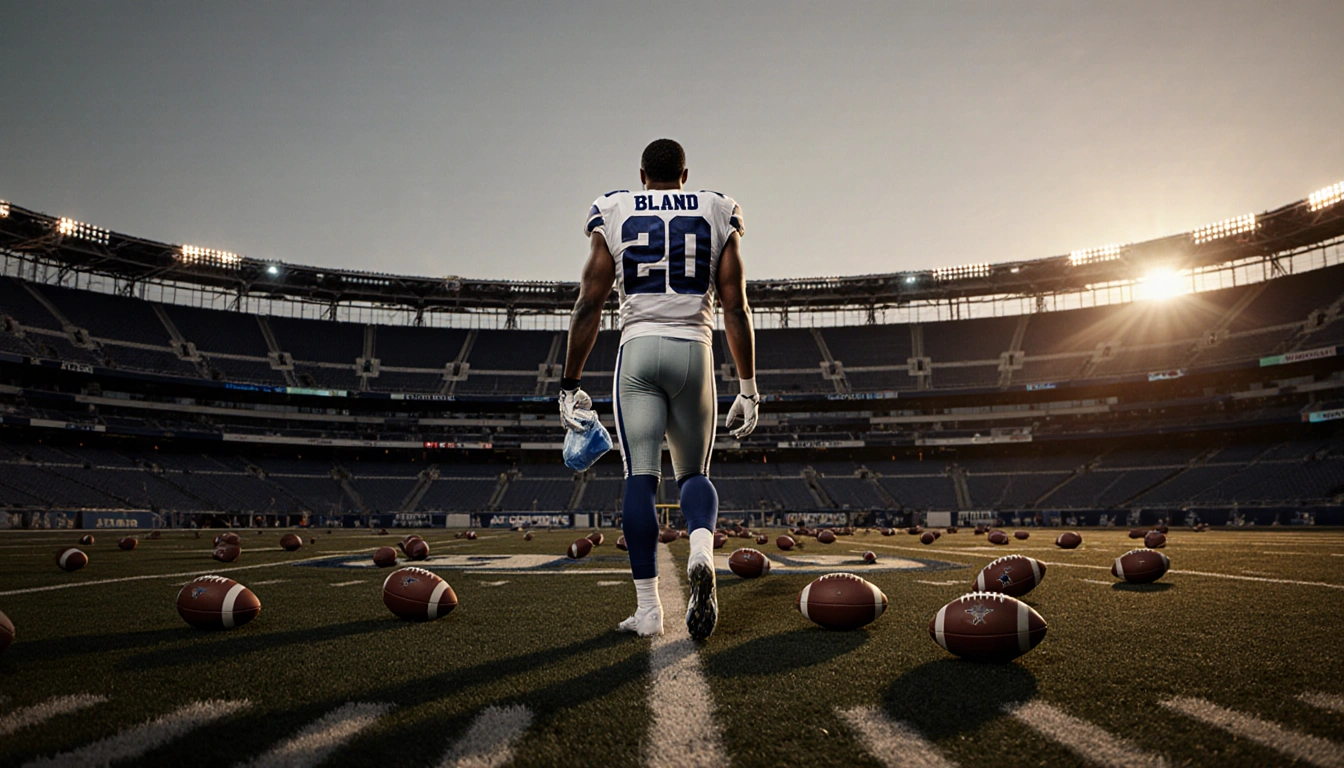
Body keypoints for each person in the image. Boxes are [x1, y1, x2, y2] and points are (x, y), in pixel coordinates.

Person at [559, 138, 758, 640]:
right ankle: (698, 552)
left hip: (639, 350)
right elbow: (736, 306)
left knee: (640, 479)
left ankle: (649, 610)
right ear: (684, 174)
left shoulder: (615, 207)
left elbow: (589, 303)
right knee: (693, 474)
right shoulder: (717, 208)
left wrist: (569, 384)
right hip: (696, 348)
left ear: (642, 173)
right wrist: (749, 388)